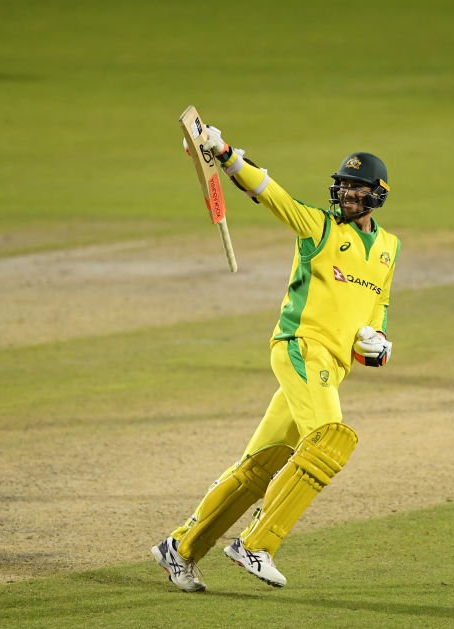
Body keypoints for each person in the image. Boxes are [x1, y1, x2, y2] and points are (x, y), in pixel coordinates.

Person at [152, 125, 400, 591]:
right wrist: (226, 155)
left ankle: (180, 547)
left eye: (357, 188)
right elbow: (271, 193)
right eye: (344, 186)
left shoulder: (389, 248)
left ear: (376, 196)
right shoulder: (318, 227)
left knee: (259, 466)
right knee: (331, 440)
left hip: (331, 367)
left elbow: (378, 305)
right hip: (301, 349)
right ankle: (257, 543)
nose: (347, 194)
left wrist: (379, 342)